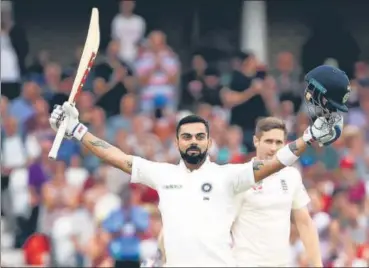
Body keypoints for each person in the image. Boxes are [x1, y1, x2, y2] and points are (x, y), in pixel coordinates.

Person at [49, 65, 348, 266]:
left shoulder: (227, 177)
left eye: (200, 137)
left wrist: (308, 137)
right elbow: (115, 156)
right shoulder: (163, 174)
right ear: (177, 142)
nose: (194, 141)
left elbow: (273, 165)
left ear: (208, 142)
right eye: (187, 137)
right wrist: (77, 131)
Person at [231, 117, 322, 267]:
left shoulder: (291, 176)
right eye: (268, 141)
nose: (273, 148)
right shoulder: (240, 176)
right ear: (256, 141)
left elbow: (305, 223)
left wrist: (318, 265)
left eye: (278, 142)